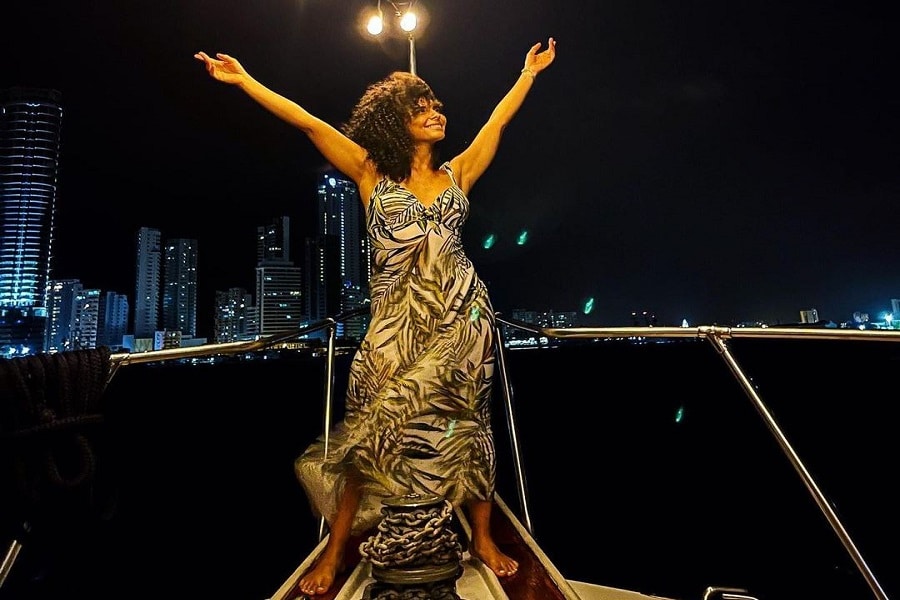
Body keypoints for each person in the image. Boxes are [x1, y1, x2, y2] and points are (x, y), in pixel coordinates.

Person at [194, 37, 557, 597]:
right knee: (370, 431)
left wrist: (527, 74)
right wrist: (245, 81)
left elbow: (497, 122)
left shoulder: (458, 174)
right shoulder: (370, 174)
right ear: (395, 121)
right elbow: (309, 123)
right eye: (421, 107)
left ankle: (483, 538)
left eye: (436, 105)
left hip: (464, 321)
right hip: (393, 326)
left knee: (470, 426)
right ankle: (337, 548)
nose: (436, 112)